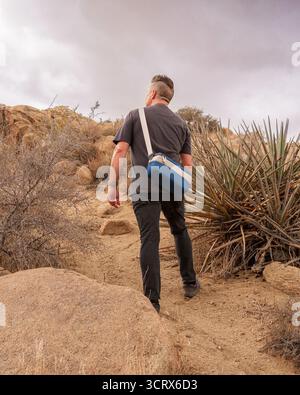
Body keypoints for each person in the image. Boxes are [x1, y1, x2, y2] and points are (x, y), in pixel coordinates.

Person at [108, 75, 200, 313]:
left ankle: (153, 301)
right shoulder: (181, 124)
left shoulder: (135, 115)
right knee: (180, 230)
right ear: (168, 97)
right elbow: (187, 164)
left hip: (143, 184)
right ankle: (190, 283)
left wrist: (112, 187)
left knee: (150, 238)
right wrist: (184, 187)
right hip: (172, 184)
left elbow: (119, 151)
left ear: (151, 94)